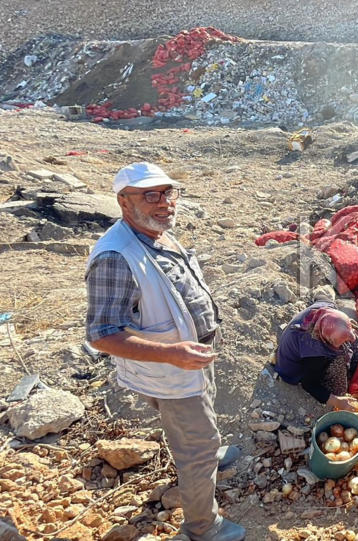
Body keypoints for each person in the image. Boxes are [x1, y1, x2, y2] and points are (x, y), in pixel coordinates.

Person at [84, 162, 244, 541]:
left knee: (200, 420)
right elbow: (102, 334)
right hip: (170, 370)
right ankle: (203, 528)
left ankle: (207, 454)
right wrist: (171, 354)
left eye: (168, 193)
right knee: (196, 443)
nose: (164, 203)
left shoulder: (154, 232)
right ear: (124, 202)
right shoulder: (115, 256)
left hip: (188, 359)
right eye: (150, 195)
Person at [273, 299, 358, 412]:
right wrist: (337, 401)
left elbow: (336, 322)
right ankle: (342, 385)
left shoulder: (326, 312)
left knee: (353, 342)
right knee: (339, 375)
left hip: (298, 342)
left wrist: (346, 324)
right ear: (326, 341)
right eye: (338, 344)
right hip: (293, 368)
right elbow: (309, 384)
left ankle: (351, 373)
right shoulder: (315, 353)